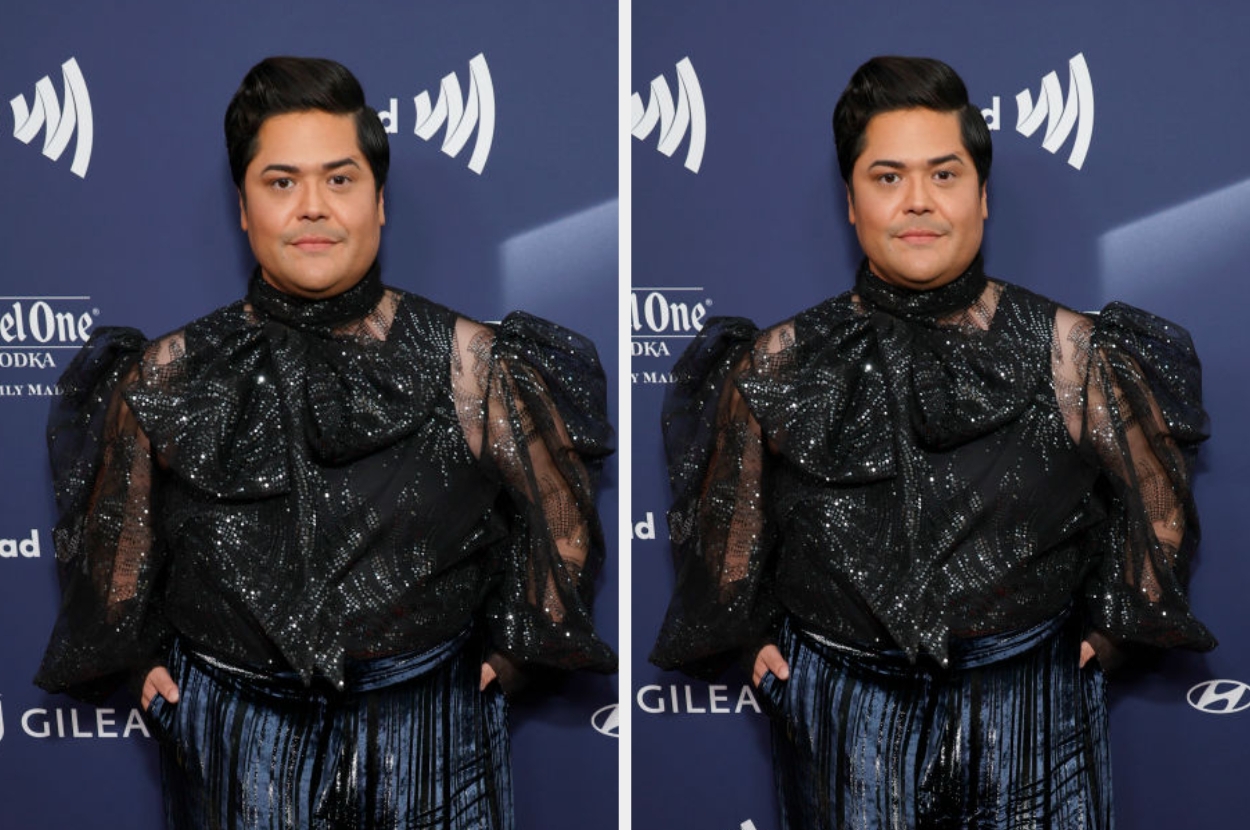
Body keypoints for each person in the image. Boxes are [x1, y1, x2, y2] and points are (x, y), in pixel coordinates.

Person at [35, 56, 615, 830]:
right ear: (244, 208)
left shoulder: (475, 365)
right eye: (281, 182)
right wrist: (144, 665)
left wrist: (509, 658)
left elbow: (562, 525)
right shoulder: (167, 374)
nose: (312, 206)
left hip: (432, 731)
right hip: (232, 736)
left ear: (379, 201)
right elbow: (116, 547)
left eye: (339, 179)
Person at [651, 55, 1215, 829]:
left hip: (1031, 701)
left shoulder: (1074, 353)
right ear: (852, 202)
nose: (918, 200)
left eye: (943, 175)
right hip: (841, 709)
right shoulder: (777, 361)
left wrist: (1112, 634)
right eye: (887, 177)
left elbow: (1157, 506)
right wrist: (753, 645)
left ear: (981, 196)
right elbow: (727, 528)